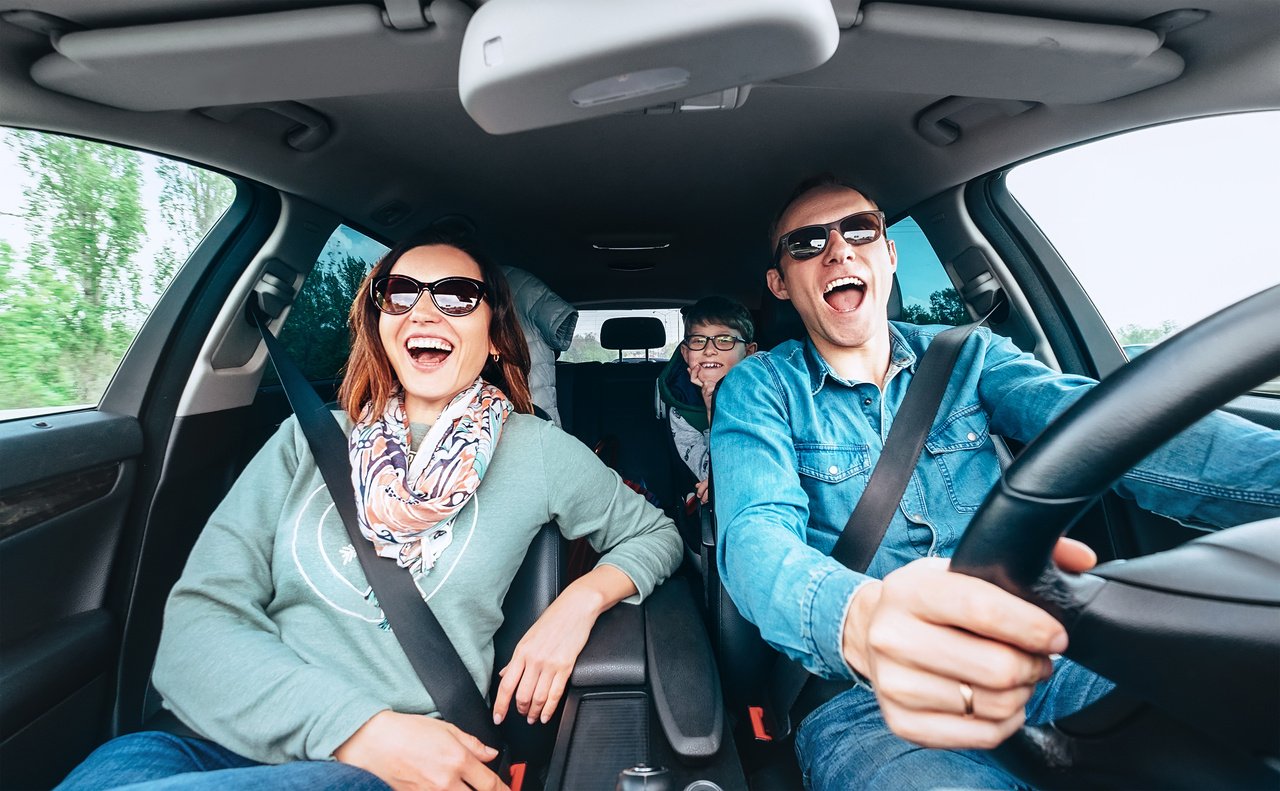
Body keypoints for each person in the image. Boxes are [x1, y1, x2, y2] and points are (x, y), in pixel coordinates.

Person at [57, 228, 683, 791]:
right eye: (401, 292)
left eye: (457, 295)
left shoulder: (539, 450)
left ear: (494, 338)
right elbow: (195, 630)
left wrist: (578, 603)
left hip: (387, 769)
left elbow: (655, 534)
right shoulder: (305, 441)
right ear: (380, 324)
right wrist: (353, 726)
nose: (425, 310)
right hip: (196, 745)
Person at [710, 174, 1280, 790]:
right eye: (807, 243)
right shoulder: (760, 387)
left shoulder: (970, 356)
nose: (838, 250)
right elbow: (753, 535)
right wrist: (863, 620)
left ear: (889, 254)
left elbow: (1107, 431)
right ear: (781, 284)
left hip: (1045, 657)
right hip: (869, 702)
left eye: (859, 230)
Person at [659, 296, 757, 507]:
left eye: (724, 340)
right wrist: (712, 406)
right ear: (685, 354)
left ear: (749, 353)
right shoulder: (682, 407)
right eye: (698, 341)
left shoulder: (766, 395)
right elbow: (711, 473)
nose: (709, 350)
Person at [501, 265, 578, 427]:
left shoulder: (520, 285)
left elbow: (560, 331)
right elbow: (559, 335)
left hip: (532, 400)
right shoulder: (520, 284)